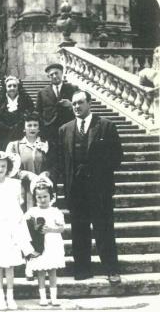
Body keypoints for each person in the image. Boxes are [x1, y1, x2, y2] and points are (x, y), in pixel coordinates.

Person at [57, 90, 122, 284]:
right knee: (79, 230)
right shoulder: (65, 129)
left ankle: (111, 269)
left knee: (104, 229)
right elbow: (61, 161)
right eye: (74, 103)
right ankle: (82, 270)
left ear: (89, 104)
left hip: (99, 189)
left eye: (80, 103)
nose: (76, 107)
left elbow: (117, 157)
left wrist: (94, 169)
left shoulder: (106, 126)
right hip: (76, 190)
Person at [0, 151, 33, 310]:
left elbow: (18, 207)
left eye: (3, 166)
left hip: (11, 226)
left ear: (8, 168)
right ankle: (0, 296)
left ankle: (10, 296)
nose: (0, 168)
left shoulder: (14, 184)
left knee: (10, 263)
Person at [25, 177, 65, 307]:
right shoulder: (32, 212)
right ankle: (43, 297)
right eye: (39, 197)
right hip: (39, 245)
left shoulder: (55, 211)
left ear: (51, 196)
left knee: (52, 270)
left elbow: (62, 228)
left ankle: (54, 297)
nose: (42, 200)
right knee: (41, 271)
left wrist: (51, 230)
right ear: (35, 198)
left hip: (53, 243)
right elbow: (26, 226)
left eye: (45, 196)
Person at [6, 112, 54, 211]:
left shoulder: (47, 144)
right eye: (29, 125)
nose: (32, 128)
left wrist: (47, 173)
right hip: (23, 188)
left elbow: (54, 165)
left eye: (35, 125)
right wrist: (27, 175)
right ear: (24, 128)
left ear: (39, 128)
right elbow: (10, 169)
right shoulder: (15, 146)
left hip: (42, 188)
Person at [36, 63, 76, 146]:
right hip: (49, 130)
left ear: (62, 73)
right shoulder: (42, 92)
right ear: (48, 77)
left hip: (68, 127)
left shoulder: (72, 89)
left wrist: (71, 104)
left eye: (56, 73)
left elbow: (82, 106)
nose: (54, 76)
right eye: (51, 75)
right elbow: (38, 112)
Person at [0, 76, 34, 150]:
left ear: (18, 87)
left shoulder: (26, 100)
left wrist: (17, 127)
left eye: (14, 86)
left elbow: (29, 115)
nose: (12, 88)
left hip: (20, 133)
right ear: (5, 87)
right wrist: (6, 128)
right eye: (9, 86)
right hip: (4, 135)